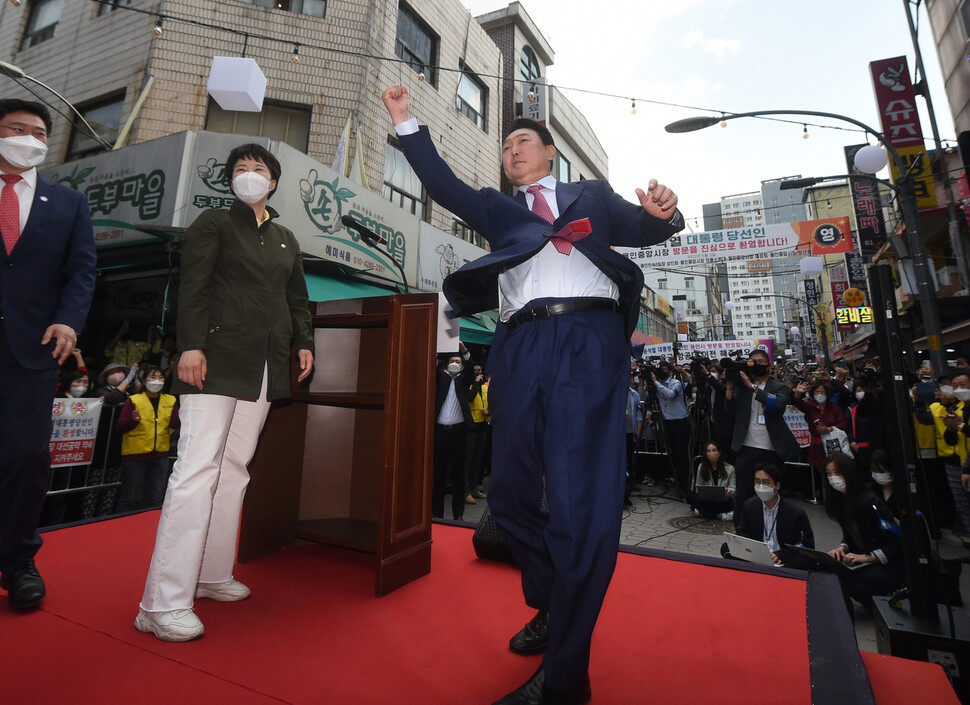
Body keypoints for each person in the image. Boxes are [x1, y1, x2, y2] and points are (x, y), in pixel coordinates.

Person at [382, 83, 682, 705]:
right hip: (518, 346)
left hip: (587, 340)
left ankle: (566, 678)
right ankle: (552, 601)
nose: (512, 150)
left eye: (523, 142)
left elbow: (648, 229)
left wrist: (663, 212)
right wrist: (406, 124)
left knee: (577, 505)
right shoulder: (499, 208)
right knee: (512, 499)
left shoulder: (591, 197)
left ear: (550, 155)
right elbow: (443, 186)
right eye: (506, 146)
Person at [135, 143, 314, 642]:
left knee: (234, 470)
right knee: (195, 469)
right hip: (212, 362)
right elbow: (193, 286)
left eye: (259, 169)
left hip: (263, 366)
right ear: (229, 180)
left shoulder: (285, 238)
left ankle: (212, 575)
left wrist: (304, 343)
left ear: (274, 182)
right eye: (241, 169)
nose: (249, 175)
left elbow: (296, 299)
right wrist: (189, 347)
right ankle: (161, 602)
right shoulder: (213, 223)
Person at [0, 99, 96, 611]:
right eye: (16, 128)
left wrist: (69, 320)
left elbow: (81, 271)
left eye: (38, 132)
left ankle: (17, 559)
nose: (28, 137)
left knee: (26, 456)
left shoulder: (67, 202)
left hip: (31, 350)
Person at [724, 350, 800, 529]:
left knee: (770, 493)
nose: (757, 364)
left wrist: (752, 386)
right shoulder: (742, 387)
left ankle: (772, 531)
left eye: (760, 361)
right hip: (746, 446)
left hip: (771, 449)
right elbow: (729, 410)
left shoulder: (778, 387)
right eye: (753, 361)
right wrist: (729, 385)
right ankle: (741, 532)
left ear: (769, 365)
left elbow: (775, 405)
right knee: (743, 493)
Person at [822, 453, 905, 616]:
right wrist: (842, 548)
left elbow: (898, 543)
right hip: (865, 560)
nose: (833, 478)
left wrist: (868, 557)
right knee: (826, 566)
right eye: (829, 473)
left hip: (889, 565)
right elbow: (850, 536)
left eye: (837, 472)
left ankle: (885, 603)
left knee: (844, 577)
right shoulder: (842, 502)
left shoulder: (870, 503)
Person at [723, 463, 814, 569]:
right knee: (726, 547)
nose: (761, 486)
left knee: (802, 561)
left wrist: (782, 554)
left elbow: (805, 546)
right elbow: (743, 532)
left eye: (766, 482)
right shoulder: (748, 506)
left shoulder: (795, 513)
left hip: (781, 559)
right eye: (757, 482)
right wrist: (753, 549)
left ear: (777, 486)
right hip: (756, 556)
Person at [115, 365, 179, 512]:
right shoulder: (134, 400)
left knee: (155, 498)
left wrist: (177, 418)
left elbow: (175, 424)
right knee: (129, 498)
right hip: (134, 456)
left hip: (160, 456)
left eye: (160, 378)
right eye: (152, 377)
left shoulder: (170, 400)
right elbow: (120, 427)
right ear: (144, 381)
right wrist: (132, 420)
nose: (157, 381)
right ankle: (122, 527)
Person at [434, 345, 475, 519]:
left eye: (458, 361)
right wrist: (434, 352)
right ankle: (437, 513)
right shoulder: (441, 378)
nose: (455, 363)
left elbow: (471, 369)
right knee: (438, 474)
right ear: (446, 365)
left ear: (462, 366)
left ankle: (458, 515)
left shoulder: (464, 380)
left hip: (458, 432)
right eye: (452, 361)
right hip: (439, 432)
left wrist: (465, 352)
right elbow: (431, 368)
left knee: (458, 475)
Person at [792, 380, 850, 482]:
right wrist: (797, 393)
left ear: (827, 393)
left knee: (836, 471)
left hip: (833, 445)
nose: (819, 394)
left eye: (822, 392)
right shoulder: (810, 406)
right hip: (817, 447)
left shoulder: (834, 408)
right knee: (820, 474)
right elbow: (798, 403)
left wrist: (829, 429)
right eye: (817, 392)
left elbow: (843, 425)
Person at [651, 360, 691, 494]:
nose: (662, 371)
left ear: (670, 370)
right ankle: (675, 480)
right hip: (667, 422)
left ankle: (685, 485)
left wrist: (655, 382)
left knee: (681, 455)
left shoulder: (675, 383)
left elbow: (671, 394)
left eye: (664, 369)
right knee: (672, 453)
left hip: (680, 422)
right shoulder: (658, 385)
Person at [687, 441, 735, 521]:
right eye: (708, 451)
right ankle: (718, 515)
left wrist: (728, 491)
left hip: (723, 501)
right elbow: (698, 488)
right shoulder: (701, 467)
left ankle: (706, 513)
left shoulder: (730, 468)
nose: (711, 453)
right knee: (689, 495)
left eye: (714, 450)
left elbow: (733, 488)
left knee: (735, 502)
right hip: (708, 500)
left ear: (719, 453)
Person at [465, 361, 490, 502]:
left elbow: (490, 403)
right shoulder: (469, 386)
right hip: (470, 428)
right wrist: (475, 383)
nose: (478, 373)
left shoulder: (485, 389)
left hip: (482, 427)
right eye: (475, 370)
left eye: (479, 370)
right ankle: (466, 491)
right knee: (467, 460)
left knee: (477, 460)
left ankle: (475, 488)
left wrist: (489, 411)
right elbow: (469, 398)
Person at [867, 449, 899, 521]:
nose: (878, 474)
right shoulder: (870, 491)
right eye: (875, 471)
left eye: (881, 471)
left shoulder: (902, 491)